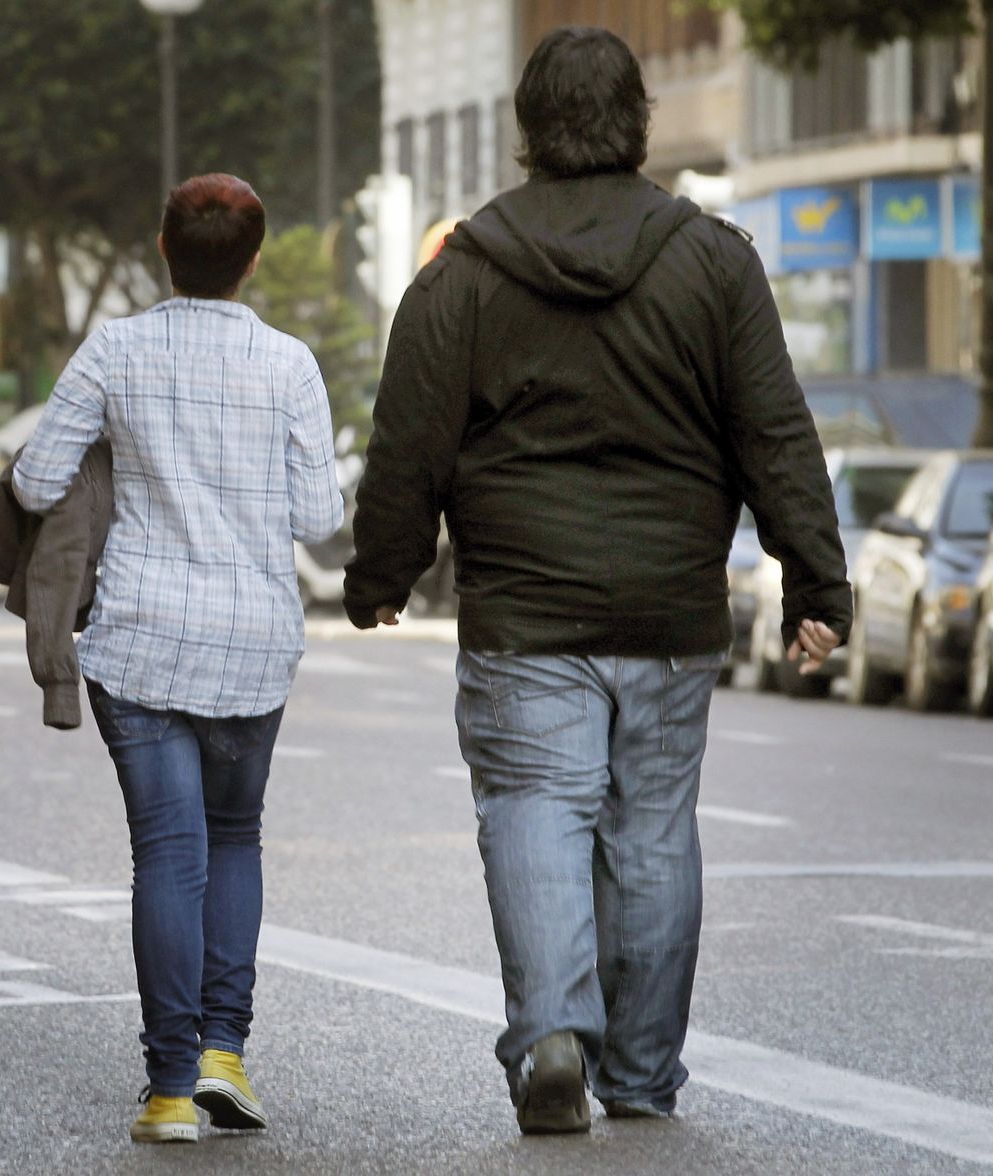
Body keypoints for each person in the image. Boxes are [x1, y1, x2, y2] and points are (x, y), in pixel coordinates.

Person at [344, 28, 851, 1134]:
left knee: (535, 809)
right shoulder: (713, 262)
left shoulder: (464, 274)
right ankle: (642, 1073)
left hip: (523, 614)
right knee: (653, 830)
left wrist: (382, 570)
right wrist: (815, 582)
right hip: (669, 609)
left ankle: (553, 1039)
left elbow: (408, 442)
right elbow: (773, 431)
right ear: (639, 121)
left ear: (525, 130)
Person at [13, 173, 342, 1144]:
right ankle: (223, 1055)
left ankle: (167, 1092)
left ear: (164, 249)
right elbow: (322, 519)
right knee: (234, 838)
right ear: (251, 256)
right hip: (253, 641)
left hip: (141, 637)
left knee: (166, 851)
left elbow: (35, 482)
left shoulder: (114, 349)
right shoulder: (289, 365)